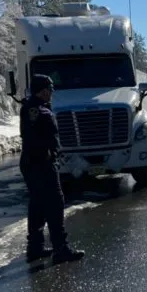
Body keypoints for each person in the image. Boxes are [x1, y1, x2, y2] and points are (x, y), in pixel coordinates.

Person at [19, 74, 85, 264]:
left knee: (38, 205)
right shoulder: (38, 110)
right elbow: (41, 138)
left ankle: (35, 247)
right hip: (41, 163)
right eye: (50, 90)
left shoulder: (32, 107)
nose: (52, 94)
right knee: (55, 204)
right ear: (44, 90)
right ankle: (60, 249)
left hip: (33, 162)